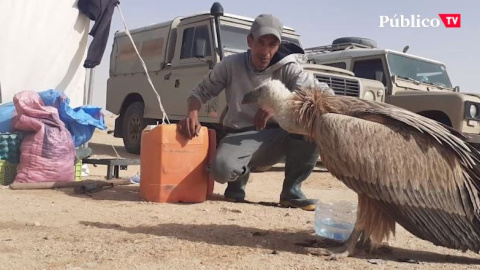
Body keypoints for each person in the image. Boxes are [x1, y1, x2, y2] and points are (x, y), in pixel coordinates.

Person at [178, 14, 333, 211]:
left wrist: (277, 105)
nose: (265, 51)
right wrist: (192, 113)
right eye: (260, 42)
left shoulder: (288, 67)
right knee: (222, 169)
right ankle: (237, 181)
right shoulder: (231, 64)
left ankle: (291, 191)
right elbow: (199, 92)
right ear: (249, 41)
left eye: (272, 44)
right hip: (240, 134)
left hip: (277, 137)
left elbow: (321, 93)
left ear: (278, 46)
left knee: (313, 123)